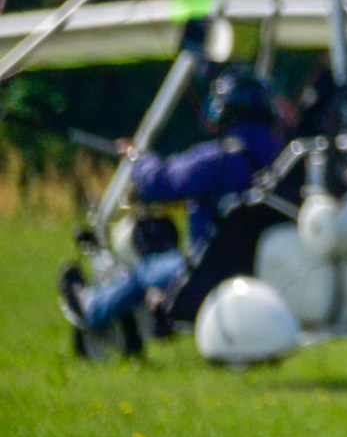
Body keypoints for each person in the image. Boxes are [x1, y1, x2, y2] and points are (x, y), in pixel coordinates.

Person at [60, 67, 286, 335]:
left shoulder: (219, 158)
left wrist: (137, 159)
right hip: (263, 266)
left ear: (226, 111)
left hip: (208, 271)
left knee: (144, 272)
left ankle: (92, 307)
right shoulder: (282, 157)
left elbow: (159, 182)